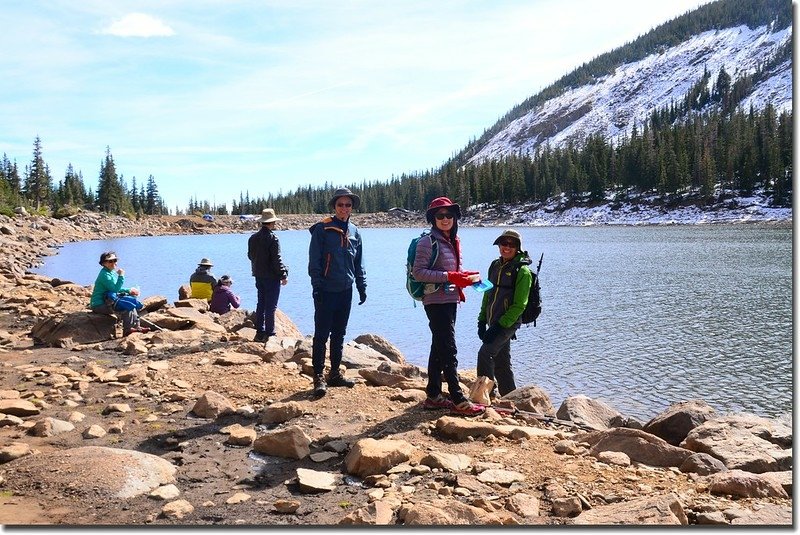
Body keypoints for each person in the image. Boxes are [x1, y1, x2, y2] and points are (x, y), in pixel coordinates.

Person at [412, 197, 484, 416]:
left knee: (439, 346)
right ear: (433, 219)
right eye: (440, 216)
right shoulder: (427, 242)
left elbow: (450, 272)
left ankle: (433, 394)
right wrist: (451, 276)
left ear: (455, 218)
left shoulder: (453, 239)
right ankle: (457, 398)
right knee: (449, 348)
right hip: (435, 301)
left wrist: (464, 278)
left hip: (450, 300)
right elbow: (419, 272)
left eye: (449, 215)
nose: (445, 219)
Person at [307, 187, 366, 397]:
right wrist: (316, 286)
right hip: (326, 290)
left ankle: (334, 374)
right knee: (321, 335)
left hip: (346, 290)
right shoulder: (322, 229)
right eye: (340, 205)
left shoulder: (356, 231)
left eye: (348, 205)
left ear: (352, 208)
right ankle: (318, 377)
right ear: (334, 206)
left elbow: (358, 262)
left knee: (339, 334)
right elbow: (314, 261)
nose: (344, 208)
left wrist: (362, 286)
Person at [476, 229, 533, 399]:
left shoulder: (523, 272)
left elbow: (519, 305)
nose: (506, 247)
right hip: (493, 321)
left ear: (518, 247)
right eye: (503, 243)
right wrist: (481, 320)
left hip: (508, 323)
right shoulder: (495, 265)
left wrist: (500, 326)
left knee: (485, 354)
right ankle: (511, 397)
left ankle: (484, 396)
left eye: (512, 244)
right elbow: (487, 292)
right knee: (502, 362)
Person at [247, 208, 289, 342]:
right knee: (271, 306)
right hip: (271, 277)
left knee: (261, 303)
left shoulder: (253, 238)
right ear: (272, 223)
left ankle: (260, 332)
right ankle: (270, 333)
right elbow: (277, 259)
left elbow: (250, 256)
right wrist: (283, 274)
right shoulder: (273, 238)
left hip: (258, 275)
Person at [89, 251, 149, 336]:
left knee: (129, 302)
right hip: (99, 304)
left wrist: (129, 290)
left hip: (108, 300)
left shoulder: (110, 272)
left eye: (115, 260)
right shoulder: (104, 275)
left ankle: (137, 327)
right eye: (110, 261)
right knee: (125, 307)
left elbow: (115, 288)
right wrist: (121, 276)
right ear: (103, 263)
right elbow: (115, 289)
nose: (113, 263)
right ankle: (128, 330)